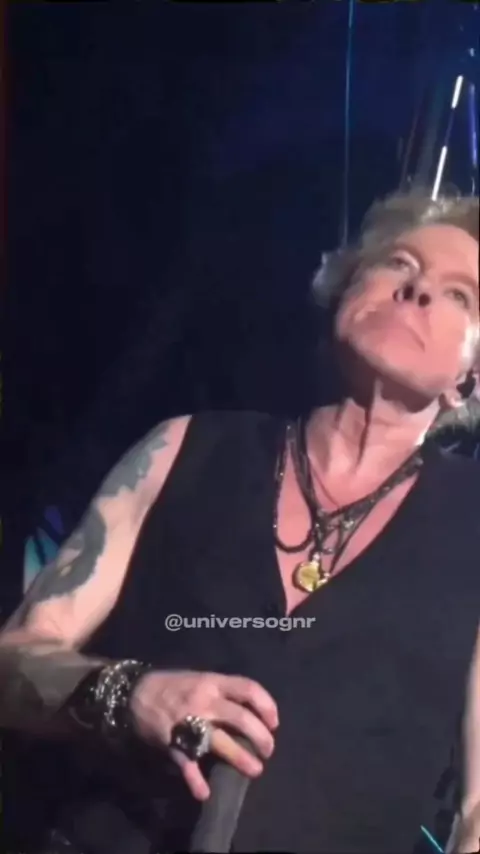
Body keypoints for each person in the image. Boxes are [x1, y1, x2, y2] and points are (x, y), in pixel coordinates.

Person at [1, 191, 479, 854]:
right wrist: (126, 692)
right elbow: (13, 660)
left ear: (469, 378)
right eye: (399, 263)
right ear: (346, 289)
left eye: (459, 295)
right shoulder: (182, 448)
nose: (417, 289)